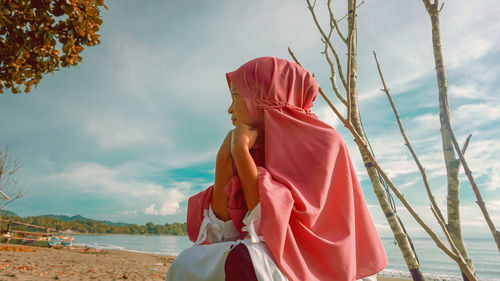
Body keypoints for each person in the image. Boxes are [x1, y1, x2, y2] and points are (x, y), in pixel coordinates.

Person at [166, 57, 387, 281]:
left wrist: (241, 154)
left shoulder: (325, 143)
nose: (230, 109)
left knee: (244, 261)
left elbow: (270, 227)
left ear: (264, 95)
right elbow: (221, 232)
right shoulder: (253, 143)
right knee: (189, 262)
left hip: (324, 265)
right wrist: (224, 158)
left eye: (236, 95)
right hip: (275, 254)